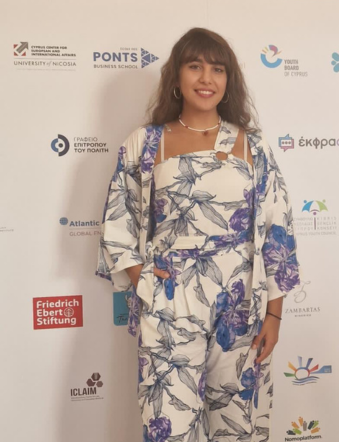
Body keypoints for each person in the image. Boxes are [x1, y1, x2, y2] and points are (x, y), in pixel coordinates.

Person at [96, 27, 300, 442]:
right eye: (195, 66)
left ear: (229, 80)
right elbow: (117, 222)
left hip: (240, 303)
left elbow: (277, 230)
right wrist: (144, 280)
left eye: (217, 69)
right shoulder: (146, 143)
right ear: (176, 75)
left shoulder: (252, 146)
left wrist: (274, 316)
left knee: (237, 428)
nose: (207, 78)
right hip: (170, 303)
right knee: (168, 427)